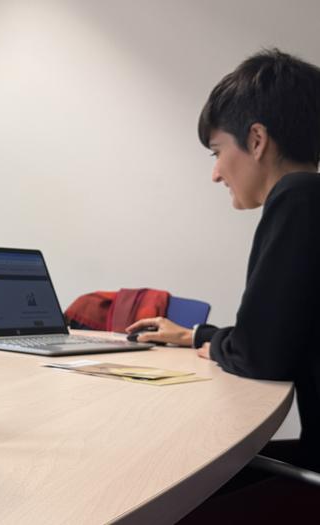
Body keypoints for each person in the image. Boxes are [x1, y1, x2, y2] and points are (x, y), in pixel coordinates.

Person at [125, 49, 320, 519]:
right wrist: (200, 336)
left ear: (256, 140)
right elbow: (281, 337)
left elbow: (260, 356)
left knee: (167, 494)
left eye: (216, 152)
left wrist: (217, 345)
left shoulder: (297, 197)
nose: (215, 173)